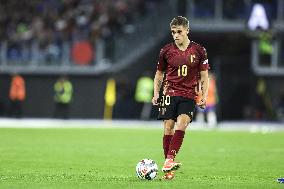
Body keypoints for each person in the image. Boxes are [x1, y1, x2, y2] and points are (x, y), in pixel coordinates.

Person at [152, 16, 209, 180]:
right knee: (168, 127)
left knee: (182, 123)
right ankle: (168, 170)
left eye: (179, 32)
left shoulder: (199, 50)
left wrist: (203, 96)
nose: (176, 35)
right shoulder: (166, 51)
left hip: (188, 94)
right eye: (173, 32)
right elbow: (159, 74)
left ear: (187, 31)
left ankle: (169, 160)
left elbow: (204, 76)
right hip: (169, 92)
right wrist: (156, 93)